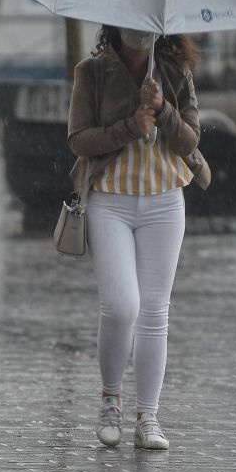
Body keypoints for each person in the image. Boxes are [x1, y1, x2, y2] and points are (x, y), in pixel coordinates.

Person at [66, 26, 210, 450]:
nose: (139, 34)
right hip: (110, 199)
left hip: (165, 201)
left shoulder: (175, 70)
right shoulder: (90, 72)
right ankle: (111, 397)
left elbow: (190, 138)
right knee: (120, 305)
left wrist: (163, 109)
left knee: (154, 311)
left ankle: (148, 415)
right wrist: (131, 124)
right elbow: (78, 139)